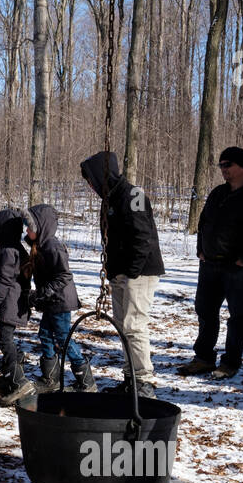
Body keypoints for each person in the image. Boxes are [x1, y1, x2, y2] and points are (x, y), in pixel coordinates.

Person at [178, 146, 243, 380]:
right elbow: (203, 222)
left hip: (238, 267)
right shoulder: (218, 193)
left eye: (228, 165)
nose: (224, 170)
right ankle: (203, 358)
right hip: (210, 263)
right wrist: (201, 249)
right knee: (205, 310)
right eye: (221, 165)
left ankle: (231, 361)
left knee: (237, 314)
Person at [79, 151, 165, 397]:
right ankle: (131, 379)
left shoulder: (133, 194)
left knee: (134, 325)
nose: (89, 185)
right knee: (123, 326)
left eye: (91, 180)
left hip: (139, 273)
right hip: (120, 273)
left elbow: (142, 235)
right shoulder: (110, 199)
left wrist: (132, 272)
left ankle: (144, 382)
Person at [23, 203, 96, 394]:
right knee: (45, 335)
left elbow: (64, 276)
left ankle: (86, 381)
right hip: (50, 301)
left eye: (30, 227)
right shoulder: (39, 246)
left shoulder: (53, 247)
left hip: (60, 302)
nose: (27, 230)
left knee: (64, 339)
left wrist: (41, 293)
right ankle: (50, 379)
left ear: (41, 228)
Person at [0, 208, 35, 405]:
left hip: (9, 304)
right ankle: (13, 371)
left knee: (5, 340)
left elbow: (3, 281)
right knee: (7, 339)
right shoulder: (16, 249)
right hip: (14, 303)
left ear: (4, 230)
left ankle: (18, 380)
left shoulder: (7, 251)